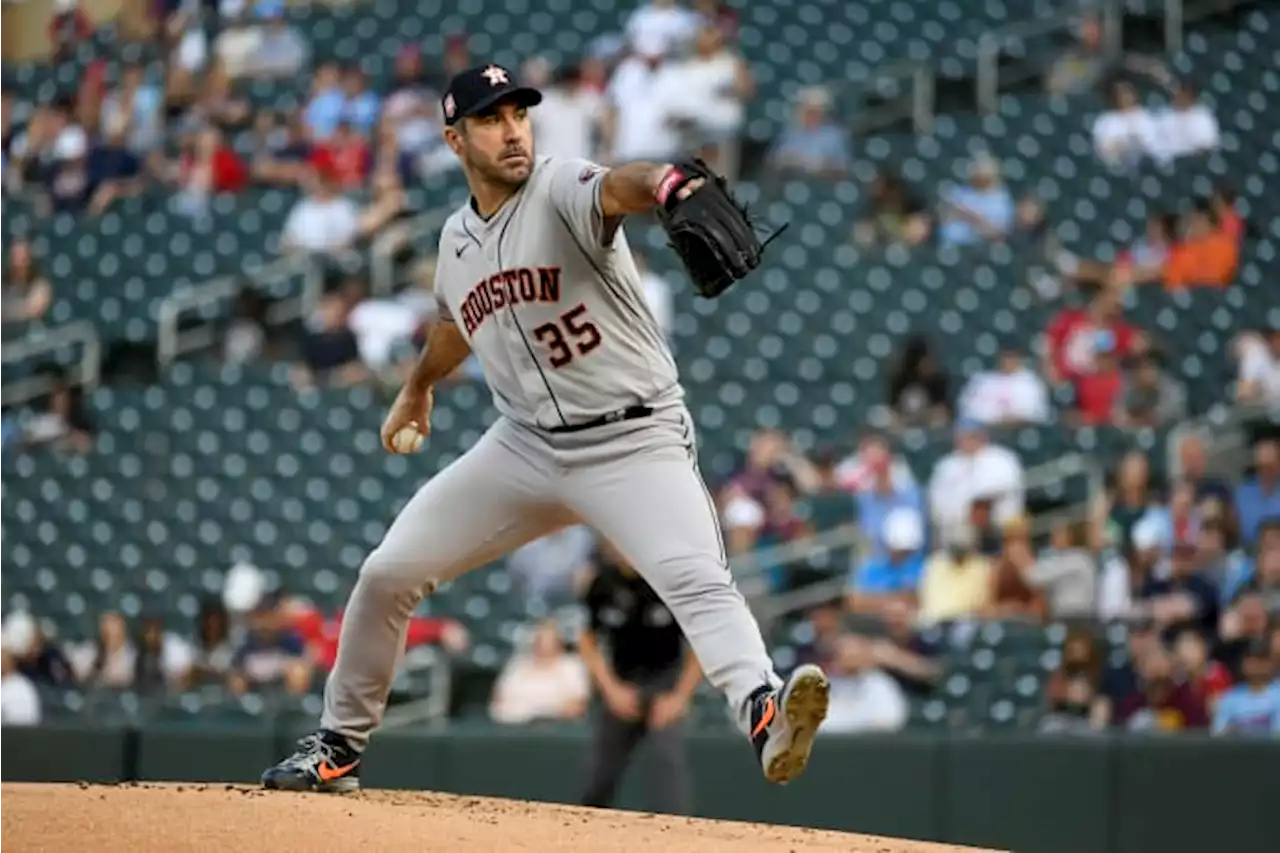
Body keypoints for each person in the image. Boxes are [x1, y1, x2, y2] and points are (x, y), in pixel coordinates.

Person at [260, 62, 829, 794]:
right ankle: (338, 747)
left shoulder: (559, 187)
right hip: (524, 444)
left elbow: (620, 186)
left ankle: (764, 708)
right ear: (454, 139)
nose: (513, 130)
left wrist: (663, 185)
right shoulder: (456, 240)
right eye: (492, 119)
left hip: (633, 439)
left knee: (694, 579)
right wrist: (417, 388)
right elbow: (452, 323)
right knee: (386, 574)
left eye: (519, 115)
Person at [578, 540, 700, 814]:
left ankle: (675, 837)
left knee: (668, 765)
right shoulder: (603, 583)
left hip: (664, 681)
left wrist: (679, 697)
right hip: (622, 680)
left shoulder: (670, 583)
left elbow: (701, 645)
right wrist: (610, 689)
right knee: (599, 774)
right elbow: (587, 640)